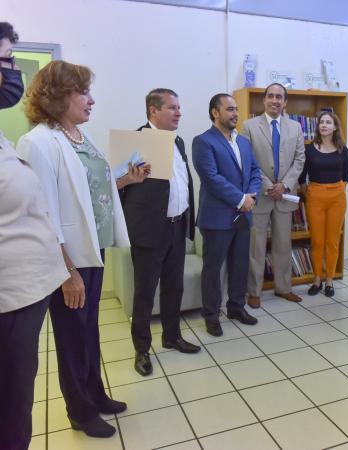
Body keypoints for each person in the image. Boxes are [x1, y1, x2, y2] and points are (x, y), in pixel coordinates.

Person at [16, 60, 136, 438]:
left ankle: (95, 393)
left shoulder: (80, 136)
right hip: (68, 260)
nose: (91, 100)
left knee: (88, 331)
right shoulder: (38, 143)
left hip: (92, 251)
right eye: (82, 92)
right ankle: (80, 412)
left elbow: (89, 192)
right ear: (57, 96)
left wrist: (124, 180)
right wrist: (67, 272)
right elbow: (43, 214)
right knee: (72, 336)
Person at [0, 23, 69, 450]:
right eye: (5, 59)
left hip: (24, 298)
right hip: (10, 300)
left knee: (14, 408)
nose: (12, 71)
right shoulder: (36, 142)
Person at [120, 88, 200, 377]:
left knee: (173, 286)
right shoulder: (134, 142)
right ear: (153, 111)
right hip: (148, 231)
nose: (179, 113)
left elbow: (180, 182)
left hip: (176, 226)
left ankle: (172, 336)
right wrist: (127, 178)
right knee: (144, 292)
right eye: (172, 108)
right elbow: (115, 184)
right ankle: (142, 349)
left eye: (179, 107)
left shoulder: (177, 141)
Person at [192, 93, 262, 336]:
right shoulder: (203, 141)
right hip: (217, 218)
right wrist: (241, 199)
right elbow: (211, 178)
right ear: (215, 112)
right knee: (213, 270)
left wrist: (251, 197)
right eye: (230, 109)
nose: (235, 114)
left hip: (243, 216)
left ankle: (236, 307)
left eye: (236, 109)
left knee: (239, 265)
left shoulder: (243, 141)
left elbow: (255, 171)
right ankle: (211, 315)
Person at [241, 83, 305, 308]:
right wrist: (269, 185)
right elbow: (247, 159)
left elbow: (299, 160)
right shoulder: (249, 126)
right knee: (256, 247)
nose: (275, 100)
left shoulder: (295, 127)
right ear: (264, 100)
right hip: (260, 195)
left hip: (285, 196)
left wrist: (284, 185)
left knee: (283, 245)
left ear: (285, 102)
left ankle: (283, 287)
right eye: (271, 96)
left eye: (279, 97)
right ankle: (254, 291)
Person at [298, 111, 348, 297]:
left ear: (335, 127)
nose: (324, 125)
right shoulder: (309, 149)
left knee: (332, 241)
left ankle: (329, 280)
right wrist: (311, 193)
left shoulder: (343, 149)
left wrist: (335, 190)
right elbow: (302, 177)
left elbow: (346, 176)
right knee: (317, 241)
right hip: (315, 197)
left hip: (337, 198)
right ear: (318, 126)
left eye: (328, 122)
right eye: (321, 122)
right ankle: (317, 279)